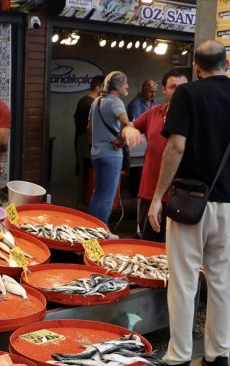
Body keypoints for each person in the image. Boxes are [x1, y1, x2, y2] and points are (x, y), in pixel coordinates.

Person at [145, 40, 230, 366]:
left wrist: (157, 197)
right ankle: (217, 357)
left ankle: (178, 361)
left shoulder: (188, 95)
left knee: (183, 281)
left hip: (189, 204)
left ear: (196, 66)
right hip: (227, 205)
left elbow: (176, 146)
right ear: (228, 63)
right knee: (222, 283)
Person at [121, 69, 189, 242]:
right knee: (148, 245)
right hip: (150, 194)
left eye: (184, 87)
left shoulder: (195, 116)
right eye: (174, 87)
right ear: (164, 89)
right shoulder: (155, 113)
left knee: (176, 250)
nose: (179, 91)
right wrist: (129, 130)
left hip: (181, 196)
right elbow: (131, 125)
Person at [86, 71, 142, 224]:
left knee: (98, 193)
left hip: (96, 153)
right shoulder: (116, 102)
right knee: (108, 196)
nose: (128, 86)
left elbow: (89, 128)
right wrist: (120, 141)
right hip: (111, 154)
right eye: (126, 83)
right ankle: (102, 230)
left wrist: (96, 144)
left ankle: (91, 227)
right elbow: (126, 123)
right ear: (117, 86)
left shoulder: (96, 101)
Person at [73, 75, 104, 176]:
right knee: (89, 173)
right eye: (104, 87)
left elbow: (76, 120)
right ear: (97, 88)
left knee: (84, 172)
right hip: (87, 141)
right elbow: (93, 126)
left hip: (80, 139)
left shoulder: (82, 100)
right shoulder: (92, 103)